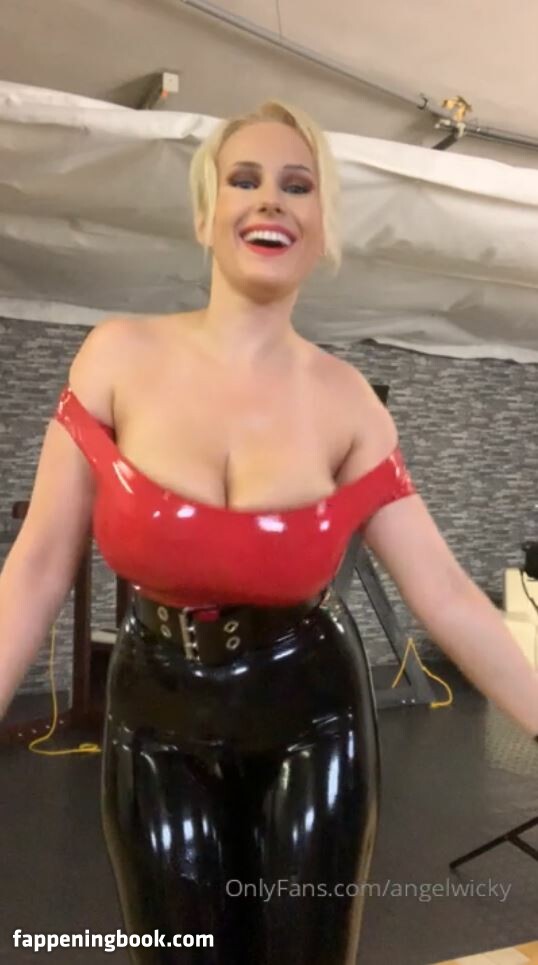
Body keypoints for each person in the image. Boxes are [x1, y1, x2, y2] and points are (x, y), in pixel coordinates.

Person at [1, 100, 537, 964]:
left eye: (298, 185)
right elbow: (33, 572)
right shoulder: (116, 357)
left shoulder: (350, 403)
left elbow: (445, 593)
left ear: (322, 229)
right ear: (205, 213)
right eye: (243, 179)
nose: (270, 200)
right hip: (155, 713)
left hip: (311, 715)